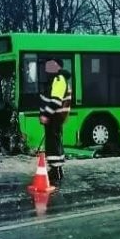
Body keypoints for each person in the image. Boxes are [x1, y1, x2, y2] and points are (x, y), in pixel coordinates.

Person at [39, 57, 72, 185]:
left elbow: (56, 101)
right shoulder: (56, 79)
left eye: (50, 65)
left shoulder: (58, 79)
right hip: (55, 116)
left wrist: (46, 114)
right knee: (54, 142)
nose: (47, 68)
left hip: (54, 116)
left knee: (53, 143)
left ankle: (56, 170)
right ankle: (57, 169)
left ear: (57, 66)